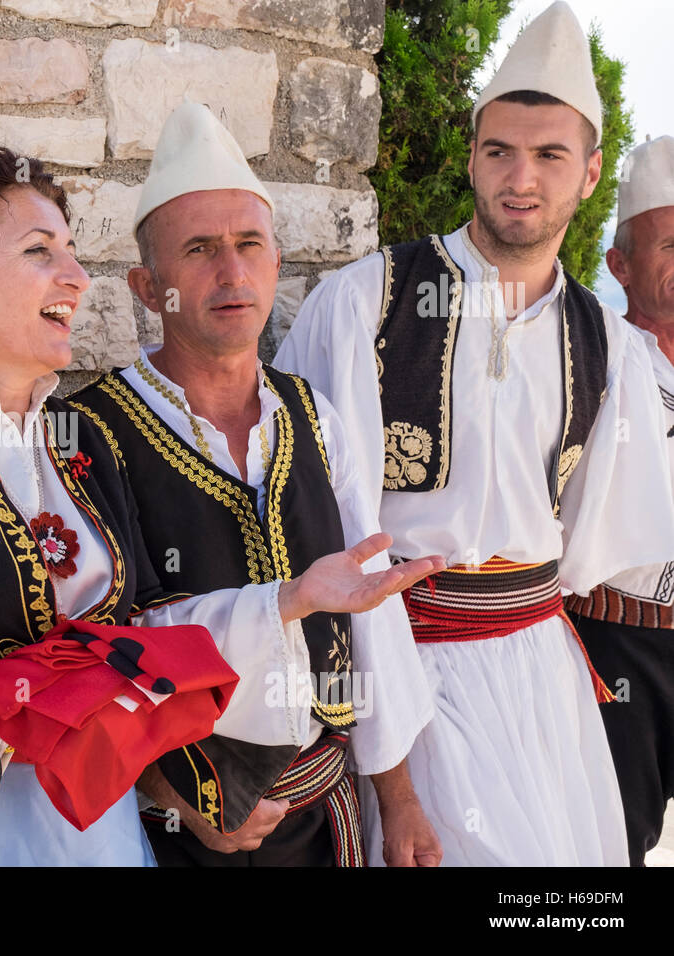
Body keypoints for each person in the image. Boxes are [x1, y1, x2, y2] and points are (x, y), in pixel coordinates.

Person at [0, 139, 443, 867]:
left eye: (71, 251)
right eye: (40, 253)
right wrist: (16, 712)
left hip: (103, 832)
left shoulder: (75, 441)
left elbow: (143, 635)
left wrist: (287, 601)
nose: (75, 276)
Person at [276, 1, 674, 865]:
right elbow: (322, 529)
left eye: (548, 155)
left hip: (543, 682)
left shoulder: (607, 343)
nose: (519, 177)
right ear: (470, 158)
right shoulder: (365, 304)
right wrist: (395, 781)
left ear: (590, 173)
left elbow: (607, 548)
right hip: (405, 671)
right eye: (499, 151)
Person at [73, 101, 442, 867]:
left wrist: (400, 802)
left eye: (249, 245)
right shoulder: (89, 434)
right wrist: (176, 805)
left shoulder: (316, 417)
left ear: (276, 260)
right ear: (148, 286)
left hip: (326, 809)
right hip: (184, 831)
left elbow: (368, 613)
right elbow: (89, 654)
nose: (232, 272)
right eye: (200, 250)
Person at [566, 134, 674, 865]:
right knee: (615, 842)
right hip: (619, 641)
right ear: (620, 266)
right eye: (669, 245)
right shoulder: (592, 361)